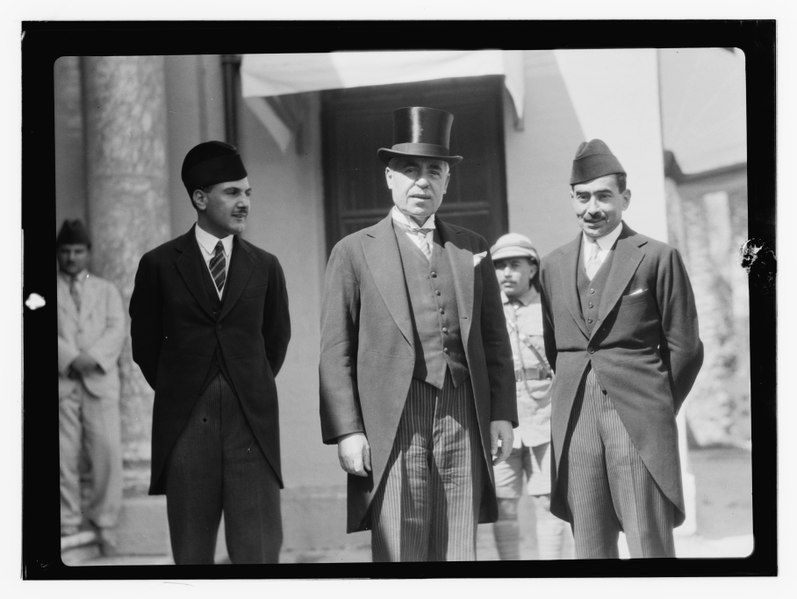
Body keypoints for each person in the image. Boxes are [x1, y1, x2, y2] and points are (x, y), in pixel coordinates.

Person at [319, 106, 517, 562]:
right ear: (389, 177)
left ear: (447, 181)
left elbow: (494, 339)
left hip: (461, 411)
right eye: (410, 170)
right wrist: (347, 431)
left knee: (458, 544)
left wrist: (502, 413)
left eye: (434, 171)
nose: (422, 181)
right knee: (399, 545)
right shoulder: (353, 252)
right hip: (394, 417)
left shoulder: (472, 247)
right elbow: (335, 351)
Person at [539, 139, 704, 558]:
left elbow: (685, 346)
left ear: (625, 199)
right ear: (571, 199)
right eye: (582, 197)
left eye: (603, 196)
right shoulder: (553, 265)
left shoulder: (657, 258)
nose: (592, 208)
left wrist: (655, 405)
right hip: (575, 420)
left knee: (648, 542)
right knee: (590, 546)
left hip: (638, 418)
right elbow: (554, 344)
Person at [129, 141, 291, 564]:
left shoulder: (266, 266)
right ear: (200, 198)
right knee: (192, 554)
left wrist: (242, 382)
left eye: (248, 193)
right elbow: (145, 346)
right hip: (185, 426)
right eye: (232, 193)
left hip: (250, 428)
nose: (244, 204)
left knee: (257, 553)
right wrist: (183, 387)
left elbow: (275, 342)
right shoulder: (160, 265)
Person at [490, 233, 573, 560]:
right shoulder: (486, 309)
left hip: (543, 416)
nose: (507, 272)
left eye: (515, 265)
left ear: (533, 268)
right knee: (503, 502)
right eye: (499, 266)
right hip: (501, 421)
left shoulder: (550, 308)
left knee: (546, 501)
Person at [57, 218, 125, 555]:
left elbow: (117, 329)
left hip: (99, 381)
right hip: (63, 382)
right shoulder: (41, 291)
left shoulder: (106, 289)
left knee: (107, 453)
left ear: (88, 253)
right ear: (58, 253)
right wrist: (70, 357)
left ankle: (105, 524)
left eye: (78, 251)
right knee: (62, 455)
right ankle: (66, 522)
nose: (71, 258)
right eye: (66, 251)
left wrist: (92, 357)